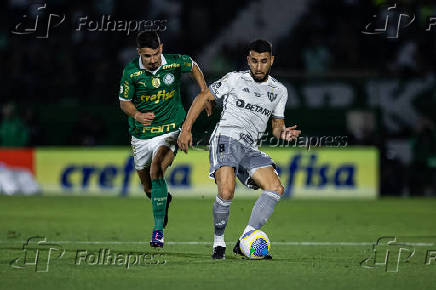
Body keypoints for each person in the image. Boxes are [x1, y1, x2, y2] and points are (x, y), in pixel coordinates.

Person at [178, 39, 301, 259]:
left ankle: (245, 238)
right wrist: (186, 129)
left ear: (271, 61)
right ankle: (218, 242)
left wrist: (284, 134)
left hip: (250, 147)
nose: (259, 66)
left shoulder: (279, 91)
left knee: (276, 188)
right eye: (254, 61)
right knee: (226, 191)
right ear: (248, 60)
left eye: (264, 61)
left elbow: (276, 127)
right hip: (227, 137)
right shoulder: (234, 79)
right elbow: (203, 96)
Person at [119, 31, 211, 248]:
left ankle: (158, 231)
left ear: (161, 48)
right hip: (142, 133)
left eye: (155, 54)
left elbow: (193, 65)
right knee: (148, 187)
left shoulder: (174, 62)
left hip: (171, 127)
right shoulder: (131, 72)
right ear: (139, 53)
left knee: (157, 168)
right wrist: (137, 115)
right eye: (147, 56)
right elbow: (124, 102)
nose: (152, 60)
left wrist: (204, 91)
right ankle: (163, 199)